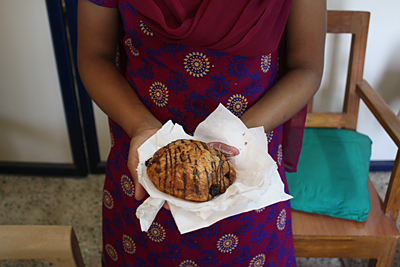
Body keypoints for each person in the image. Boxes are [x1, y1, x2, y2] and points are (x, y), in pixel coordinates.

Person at [77, 0, 326, 266]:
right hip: (145, 151)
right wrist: (141, 125)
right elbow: (95, 57)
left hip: (245, 155)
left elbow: (307, 67)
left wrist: (236, 134)